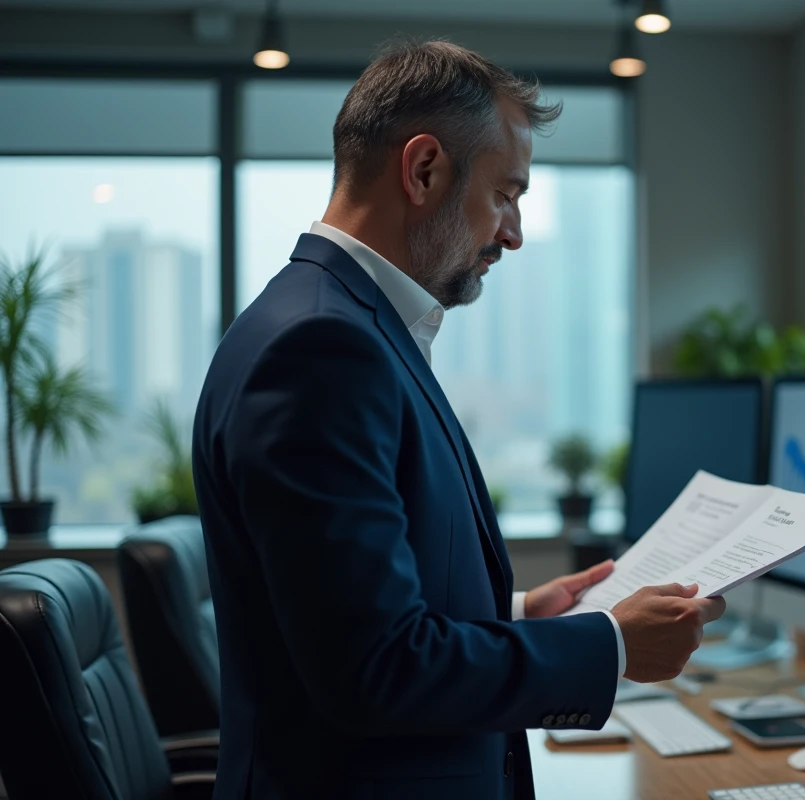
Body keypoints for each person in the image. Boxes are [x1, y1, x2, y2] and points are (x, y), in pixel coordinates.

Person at [192, 39, 726, 800]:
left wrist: (515, 616)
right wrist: (608, 646)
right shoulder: (321, 348)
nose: (511, 233)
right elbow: (374, 670)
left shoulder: (352, 326)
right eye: (507, 194)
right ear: (424, 170)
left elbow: (344, 613)